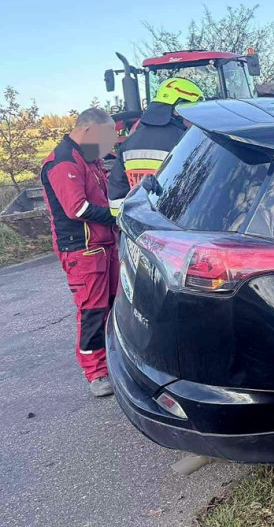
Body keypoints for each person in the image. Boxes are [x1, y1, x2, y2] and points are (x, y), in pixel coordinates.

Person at [40, 108, 120, 397]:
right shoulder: (63, 162)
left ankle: (113, 361)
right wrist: (118, 215)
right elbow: (78, 209)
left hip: (104, 246)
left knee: (112, 305)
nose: (108, 147)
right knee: (93, 311)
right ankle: (96, 373)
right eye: (105, 139)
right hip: (83, 251)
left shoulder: (88, 159)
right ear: (88, 132)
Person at [107, 77, 204, 215]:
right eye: (193, 111)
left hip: (136, 228)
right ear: (178, 110)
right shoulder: (187, 142)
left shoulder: (129, 143)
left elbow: (115, 200)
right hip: (173, 227)